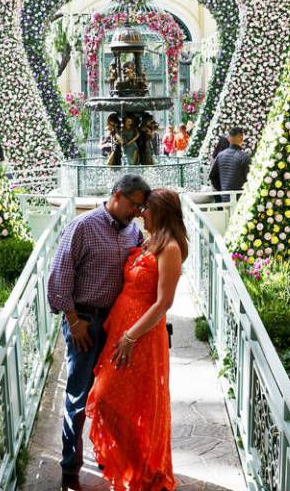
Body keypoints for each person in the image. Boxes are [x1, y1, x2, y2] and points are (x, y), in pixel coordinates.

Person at [48, 175, 151, 490]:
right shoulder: (84, 226)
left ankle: (113, 461)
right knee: (78, 397)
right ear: (117, 195)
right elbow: (59, 276)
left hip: (118, 326)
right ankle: (70, 472)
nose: (136, 211)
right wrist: (73, 320)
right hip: (85, 323)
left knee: (113, 398)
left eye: (140, 207)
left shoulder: (133, 231)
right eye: (133, 204)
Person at [87, 188, 188, 491]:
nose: (141, 213)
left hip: (141, 336)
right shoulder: (147, 240)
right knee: (113, 399)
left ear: (160, 212)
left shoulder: (169, 247)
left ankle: (145, 468)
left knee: (128, 400)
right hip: (120, 330)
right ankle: (133, 463)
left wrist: (131, 336)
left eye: (146, 209)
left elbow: (163, 303)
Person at [209, 126, 251, 195]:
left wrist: (223, 190)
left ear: (229, 139)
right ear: (241, 139)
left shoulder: (220, 155)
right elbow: (249, 179)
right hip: (240, 198)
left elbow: (212, 176)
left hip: (225, 198)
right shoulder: (244, 157)